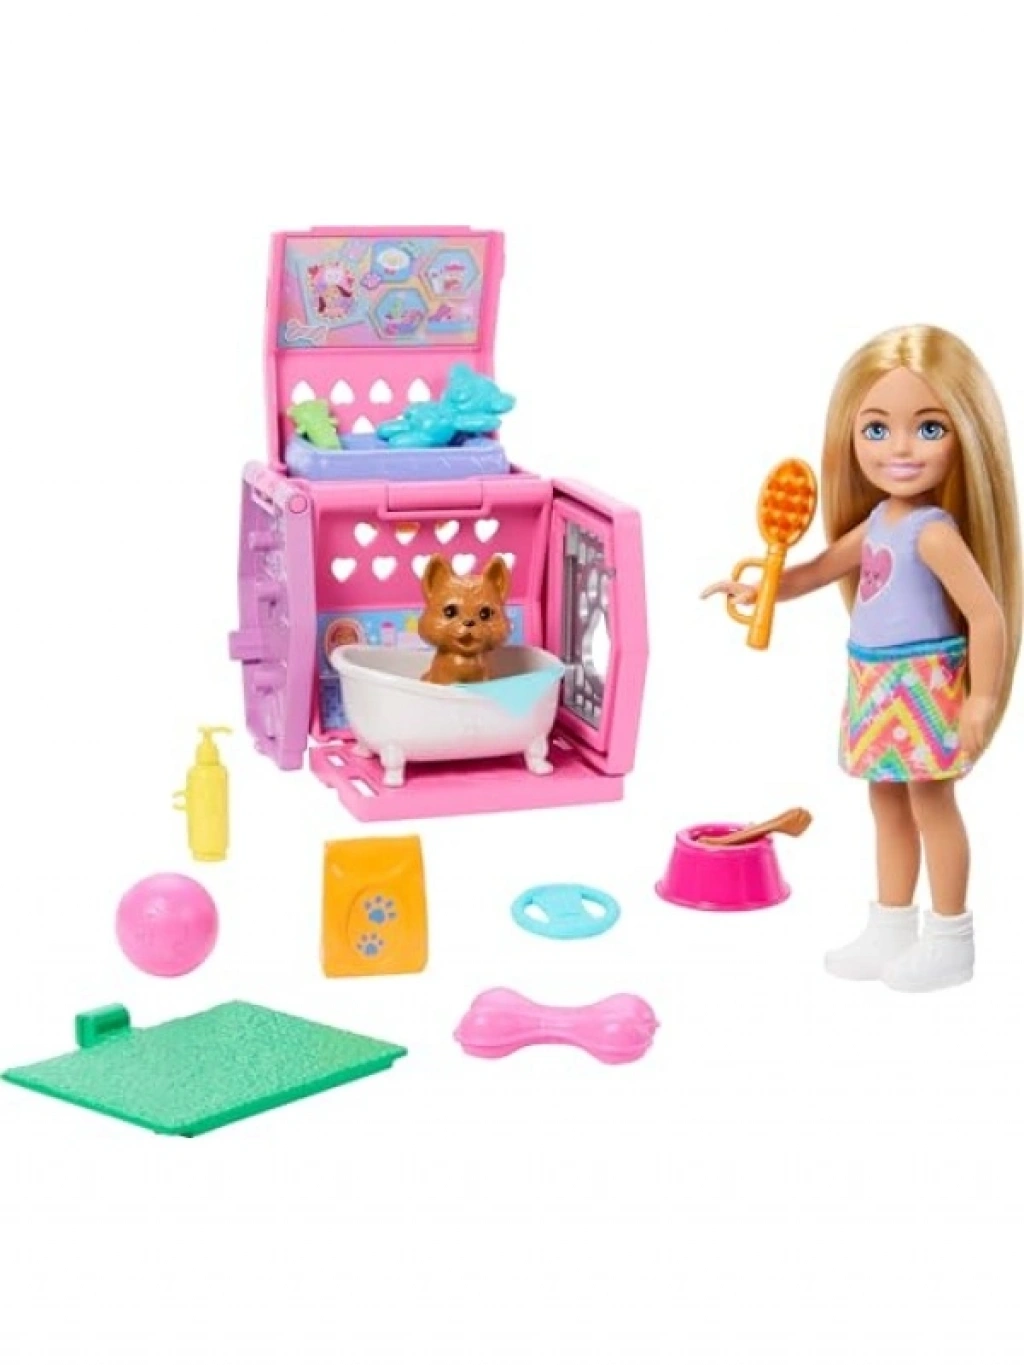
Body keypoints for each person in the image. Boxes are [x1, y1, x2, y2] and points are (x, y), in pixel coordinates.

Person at [703, 325, 1021, 991]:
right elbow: (820, 568)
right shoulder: (880, 520)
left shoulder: (933, 533)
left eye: (928, 429)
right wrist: (763, 588)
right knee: (885, 803)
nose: (900, 448)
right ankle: (892, 924)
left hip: (925, 684)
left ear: (966, 435)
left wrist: (983, 698)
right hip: (873, 680)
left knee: (932, 803)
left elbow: (987, 615)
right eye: (877, 429)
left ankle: (951, 937)